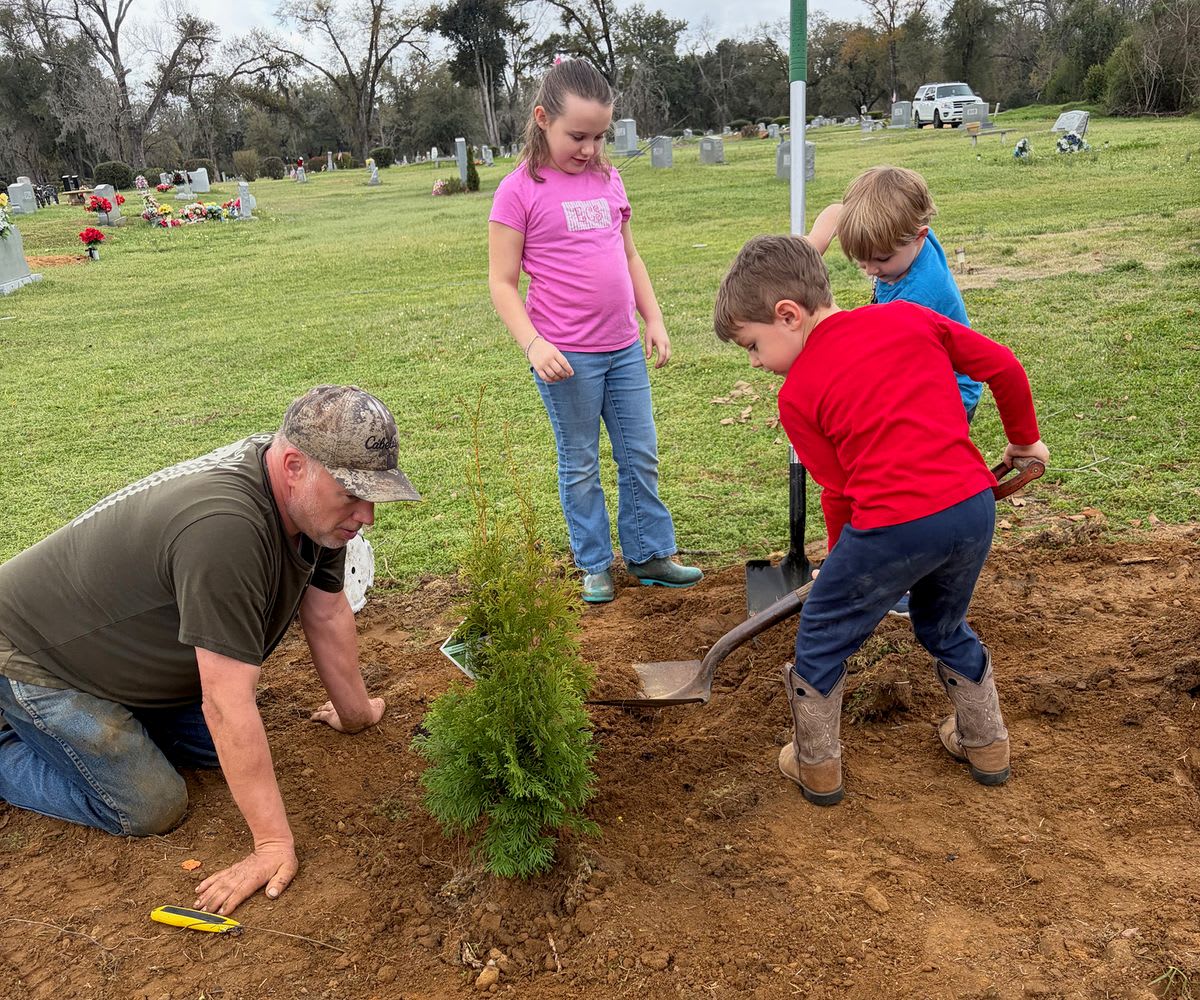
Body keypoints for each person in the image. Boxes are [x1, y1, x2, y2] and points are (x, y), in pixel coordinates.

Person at [0, 385, 420, 914]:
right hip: (34, 656)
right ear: (294, 465)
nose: (367, 515)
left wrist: (357, 714)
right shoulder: (227, 529)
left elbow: (327, 610)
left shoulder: (313, 512)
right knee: (151, 804)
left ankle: (89, 723)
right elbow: (225, 701)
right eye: (352, 494)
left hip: (110, 653)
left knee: (213, 752)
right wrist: (271, 845)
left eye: (373, 496)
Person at [713, 235, 1050, 807]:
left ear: (787, 316)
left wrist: (838, 559)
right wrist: (1023, 440)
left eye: (752, 345)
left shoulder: (798, 395)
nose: (754, 361)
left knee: (821, 634)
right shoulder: (909, 317)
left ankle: (816, 764)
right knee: (941, 623)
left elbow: (840, 490)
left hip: (895, 526)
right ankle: (985, 741)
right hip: (972, 508)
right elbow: (1003, 365)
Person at [487, 58, 702, 605]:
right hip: (566, 356)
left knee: (640, 452)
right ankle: (594, 563)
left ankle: (651, 553)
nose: (588, 148)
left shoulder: (610, 178)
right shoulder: (519, 191)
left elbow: (629, 255)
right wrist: (534, 344)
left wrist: (651, 318)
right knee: (580, 459)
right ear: (542, 119)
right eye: (577, 135)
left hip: (623, 348)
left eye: (599, 136)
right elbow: (502, 283)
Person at [807, 164, 983, 618]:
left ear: (919, 236)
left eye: (880, 261)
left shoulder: (919, 294)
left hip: (944, 392)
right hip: (914, 373)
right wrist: (806, 256)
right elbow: (832, 211)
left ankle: (903, 583)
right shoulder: (901, 244)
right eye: (860, 260)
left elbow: (870, 342)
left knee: (901, 488)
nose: (870, 269)